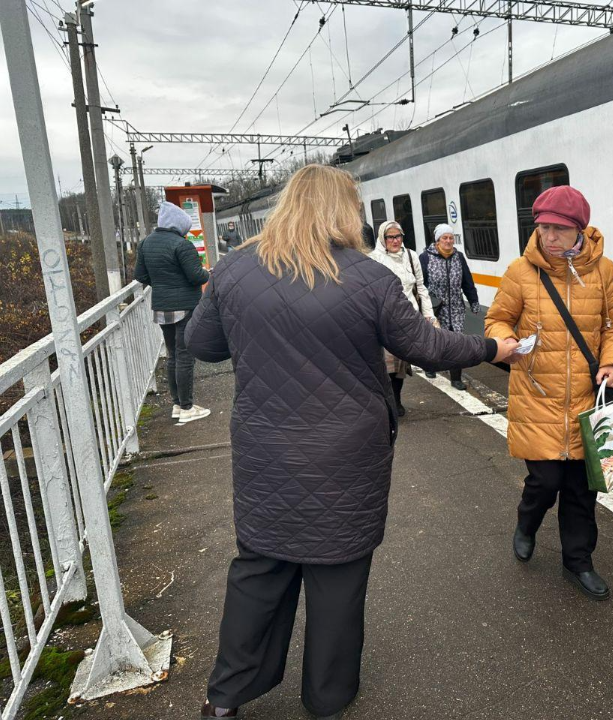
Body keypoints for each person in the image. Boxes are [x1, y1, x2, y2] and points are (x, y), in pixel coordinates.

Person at [185, 165, 518, 720]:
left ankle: (224, 699)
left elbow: (202, 346)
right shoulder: (369, 279)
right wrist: (489, 350)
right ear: (344, 210)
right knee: (338, 576)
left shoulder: (235, 269)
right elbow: (428, 347)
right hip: (347, 456)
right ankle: (327, 698)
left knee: (258, 570)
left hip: (265, 452)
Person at [485, 185, 613, 601]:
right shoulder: (520, 272)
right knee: (544, 482)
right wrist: (504, 341)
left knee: (583, 491)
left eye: (558, 229)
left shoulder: (604, 271)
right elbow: (497, 319)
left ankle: (578, 562)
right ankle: (526, 523)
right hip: (537, 394)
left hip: (587, 398)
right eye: (544, 228)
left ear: (579, 230)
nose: (548, 237)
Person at [134, 201, 211, 425]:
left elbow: (141, 275)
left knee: (172, 355)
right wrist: (207, 273)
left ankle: (178, 405)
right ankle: (187, 407)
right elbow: (196, 276)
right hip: (185, 306)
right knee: (185, 355)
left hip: (162, 307)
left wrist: (162, 284)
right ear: (178, 225)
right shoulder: (182, 245)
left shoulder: (145, 243)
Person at [369, 220, 437, 415]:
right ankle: (388, 402)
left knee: (399, 365)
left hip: (408, 318)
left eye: (398, 236)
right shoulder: (374, 259)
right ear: (383, 238)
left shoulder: (410, 256)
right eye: (390, 237)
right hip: (384, 319)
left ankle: (395, 399)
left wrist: (428, 315)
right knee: (386, 365)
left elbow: (421, 287)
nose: (395, 240)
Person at [420, 223, 481, 391]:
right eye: (444, 238)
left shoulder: (458, 257)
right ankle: (430, 366)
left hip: (456, 308)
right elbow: (420, 284)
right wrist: (423, 307)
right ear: (437, 240)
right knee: (435, 340)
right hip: (435, 308)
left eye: (450, 238)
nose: (448, 241)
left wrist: (473, 301)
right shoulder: (425, 257)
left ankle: (456, 378)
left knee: (457, 342)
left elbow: (467, 281)